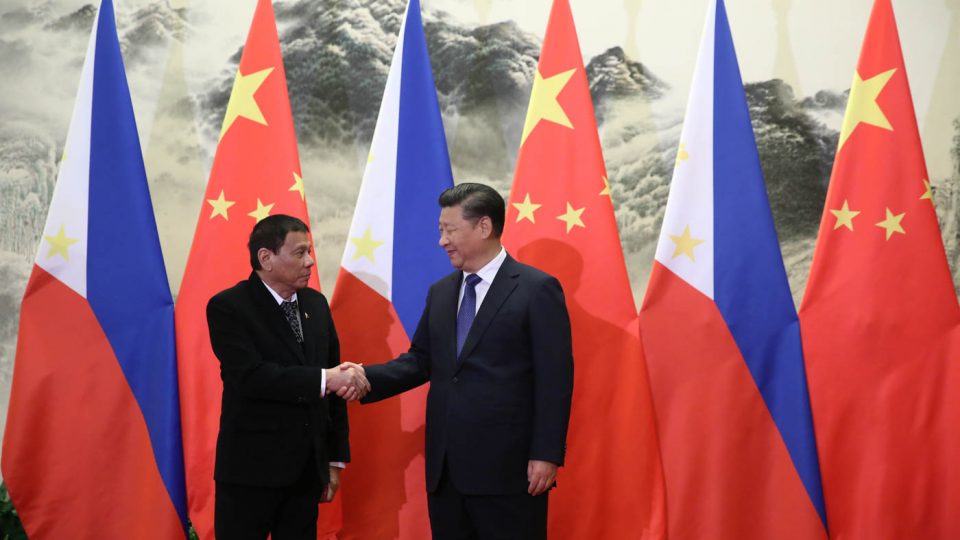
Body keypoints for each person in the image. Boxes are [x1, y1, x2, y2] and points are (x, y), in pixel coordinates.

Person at [361, 183, 574, 539]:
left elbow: (555, 380)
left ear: (484, 227)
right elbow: (421, 361)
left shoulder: (537, 289)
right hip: (447, 474)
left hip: (509, 471)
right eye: (440, 231)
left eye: (449, 230)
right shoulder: (442, 292)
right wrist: (363, 377)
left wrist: (546, 454)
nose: (442, 241)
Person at [206, 214, 369, 539]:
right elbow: (251, 377)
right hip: (249, 474)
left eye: (309, 251)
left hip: (305, 473)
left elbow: (333, 380)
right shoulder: (229, 307)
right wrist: (326, 379)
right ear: (266, 258)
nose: (310, 261)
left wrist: (334, 461)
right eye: (299, 253)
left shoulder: (316, 304)